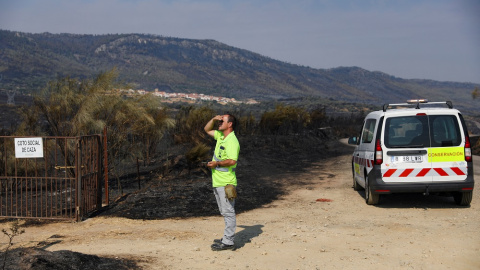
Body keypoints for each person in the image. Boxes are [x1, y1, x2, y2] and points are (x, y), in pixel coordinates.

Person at [204, 114, 240, 251]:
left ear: (230, 124)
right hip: (218, 182)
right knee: (224, 211)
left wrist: (217, 163)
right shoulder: (220, 136)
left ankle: (228, 241)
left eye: (222, 121)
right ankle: (227, 237)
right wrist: (213, 119)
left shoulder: (232, 141)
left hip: (227, 183)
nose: (219, 123)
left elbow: (232, 161)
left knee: (228, 211)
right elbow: (207, 129)